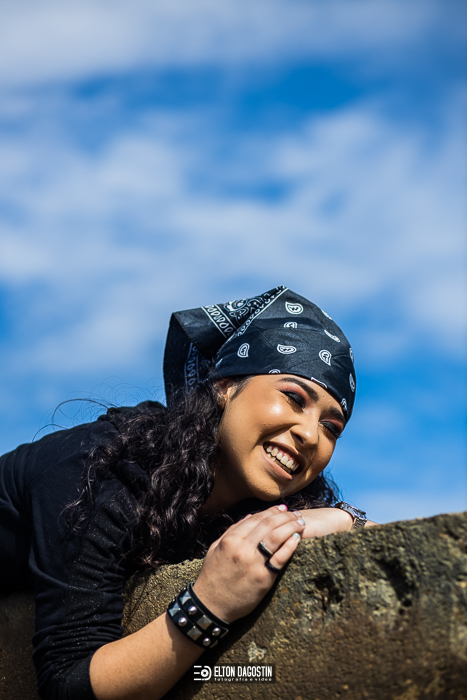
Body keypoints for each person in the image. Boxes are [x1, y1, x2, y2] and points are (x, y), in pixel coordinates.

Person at [0, 285, 374, 700]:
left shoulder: (249, 504)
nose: (310, 434)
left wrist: (341, 518)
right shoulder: (103, 469)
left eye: (331, 427)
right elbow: (66, 684)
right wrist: (209, 605)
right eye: (293, 398)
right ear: (226, 386)